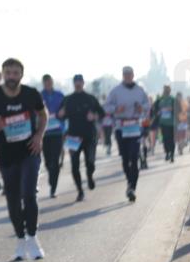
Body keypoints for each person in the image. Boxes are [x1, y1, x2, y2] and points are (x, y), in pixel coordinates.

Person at [0, 58, 47, 261]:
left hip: (30, 150)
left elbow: (43, 115)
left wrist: (39, 136)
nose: (11, 77)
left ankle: (33, 237)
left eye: (15, 73)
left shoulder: (30, 94)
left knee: (29, 194)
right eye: (8, 73)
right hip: (7, 155)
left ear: (21, 75)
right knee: (13, 200)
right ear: (3, 74)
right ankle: (20, 239)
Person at [105, 67, 151, 202]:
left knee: (134, 156)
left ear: (133, 75)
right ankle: (129, 181)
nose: (128, 76)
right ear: (123, 76)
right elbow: (106, 107)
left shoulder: (140, 90)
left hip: (135, 126)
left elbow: (148, 106)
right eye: (125, 74)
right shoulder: (115, 91)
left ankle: (132, 188)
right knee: (125, 159)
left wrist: (141, 108)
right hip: (121, 127)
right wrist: (116, 109)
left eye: (130, 74)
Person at [58, 74, 105, 202]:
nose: (78, 84)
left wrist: (94, 116)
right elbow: (59, 115)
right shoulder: (68, 99)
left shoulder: (90, 98)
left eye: (80, 81)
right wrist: (60, 114)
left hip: (89, 135)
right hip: (73, 136)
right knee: (74, 166)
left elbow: (102, 113)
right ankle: (80, 191)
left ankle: (90, 176)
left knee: (90, 162)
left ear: (83, 83)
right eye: (76, 82)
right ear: (74, 84)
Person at [40, 74, 65, 198]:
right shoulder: (39, 96)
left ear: (52, 82)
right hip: (44, 133)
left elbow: (67, 109)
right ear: (43, 84)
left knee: (55, 161)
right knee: (47, 162)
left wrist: (63, 112)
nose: (48, 84)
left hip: (57, 132)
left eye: (50, 82)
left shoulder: (60, 95)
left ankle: (53, 188)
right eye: (46, 83)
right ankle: (51, 176)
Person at [152, 85, 177, 163]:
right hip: (163, 123)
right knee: (165, 139)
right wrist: (158, 111)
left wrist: (172, 109)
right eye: (165, 89)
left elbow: (178, 109)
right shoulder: (160, 99)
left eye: (168, 89)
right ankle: (167, 153)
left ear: (170, 90)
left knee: (171, 139)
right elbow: (154, 108)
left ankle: (172, 155)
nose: (166, 91)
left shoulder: (172, 99)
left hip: (172, 123)